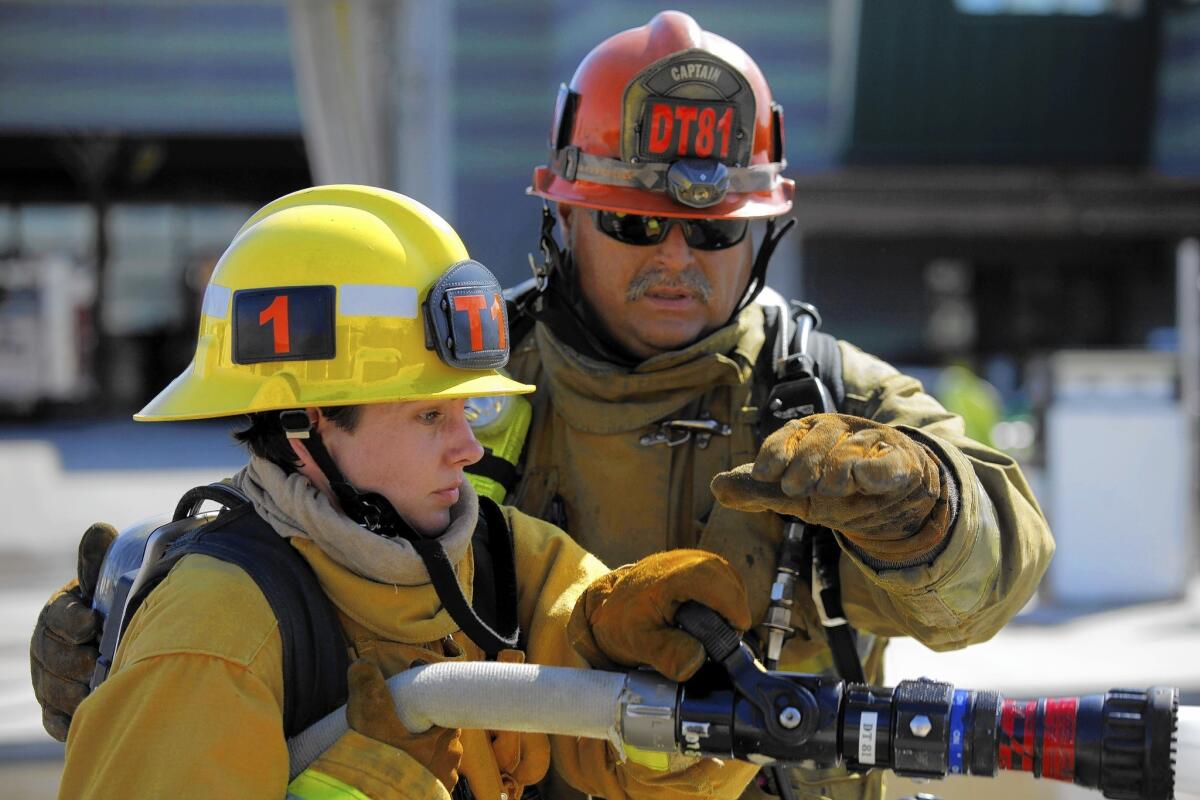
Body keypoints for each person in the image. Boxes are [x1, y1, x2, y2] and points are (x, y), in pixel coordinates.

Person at [34, 12, 1054, 799]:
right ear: (564, 215)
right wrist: (134, 649)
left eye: (712, 234)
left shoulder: (832, 400)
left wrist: (929, 511)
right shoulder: (461, 366)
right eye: (631, 220)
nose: (673, 257)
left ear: (763, 237)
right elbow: (291, 554)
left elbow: (1000, 571)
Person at [54, 185, 759, 800]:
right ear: (308, 424)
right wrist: (368, 785)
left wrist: (663, 669)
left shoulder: (508, 562)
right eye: (430, 416)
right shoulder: (214, 633)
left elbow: (663, 777)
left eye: (466, 410)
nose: (471, 448)